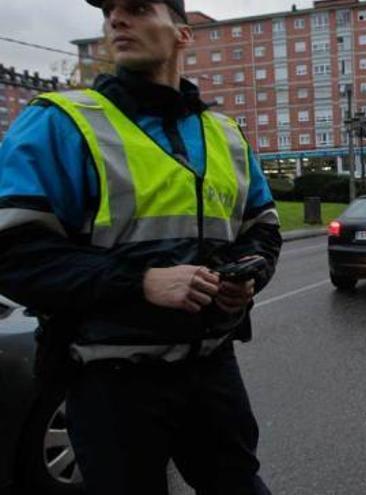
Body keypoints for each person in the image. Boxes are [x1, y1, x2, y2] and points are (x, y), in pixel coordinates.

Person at [0, 1, 280, 493]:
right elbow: (14, 252)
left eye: (136, 9)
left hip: (211, 369)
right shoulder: (60, 121)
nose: (116, 21)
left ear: (182, 33)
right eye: (110, 12)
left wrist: (247, 275)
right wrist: (140, 282)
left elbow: (263, 229)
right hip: (110, 382)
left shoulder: (226, 134)